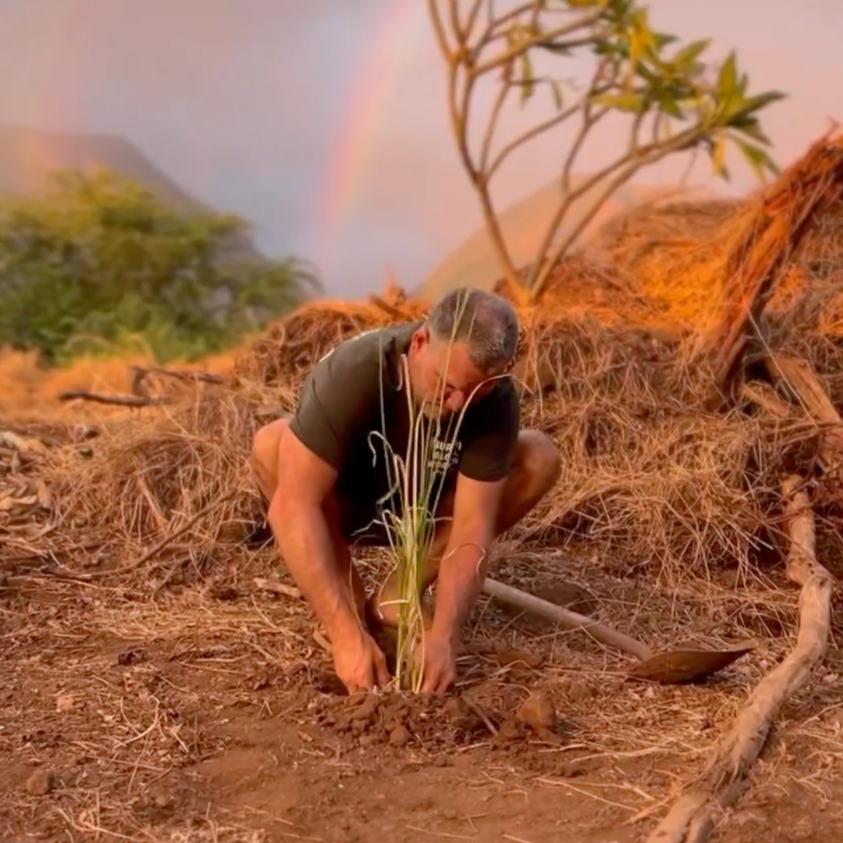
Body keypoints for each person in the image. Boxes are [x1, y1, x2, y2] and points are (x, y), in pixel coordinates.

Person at [250, 286, 561, 696]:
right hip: (346, 505)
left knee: (538, 456)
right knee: (273, 444)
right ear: (419, 343)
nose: (456, 404)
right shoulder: (356, 371)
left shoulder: (494, 400)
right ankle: (352, 605)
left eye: (475, 392)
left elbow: (471, 528)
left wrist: (445, 636)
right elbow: (292, 508)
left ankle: (398, 595)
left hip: (425, 509)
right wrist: (344, 635)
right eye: (446, 385)